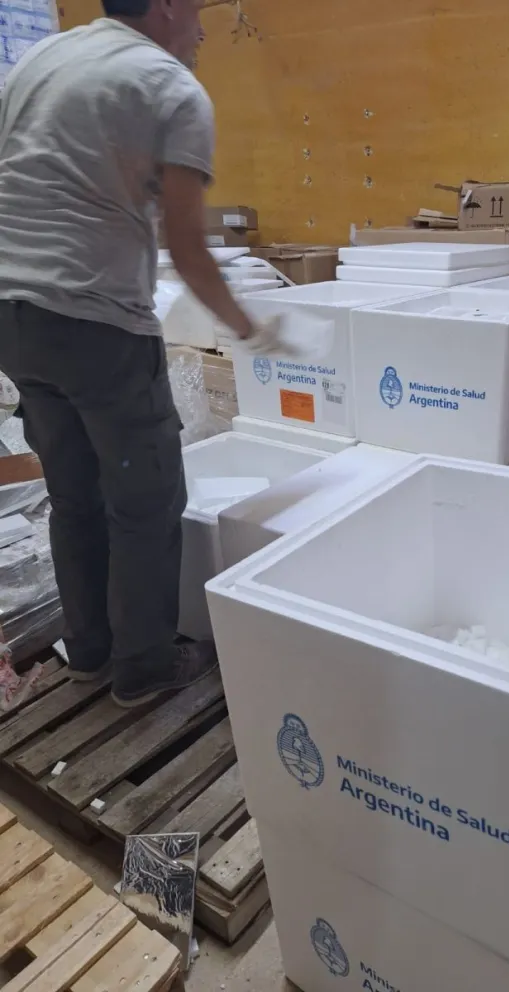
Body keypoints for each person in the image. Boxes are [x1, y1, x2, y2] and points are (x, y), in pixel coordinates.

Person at [0, 0, 284, 706]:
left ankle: (90, 653)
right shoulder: (168, 84)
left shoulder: (42, 59)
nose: (204, 26)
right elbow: (188, 248)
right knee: (146, 500)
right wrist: (249, 327)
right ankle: (145, 667)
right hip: (97, 325)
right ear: (163, 7)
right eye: (195, 8)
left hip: (14, 318)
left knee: (74, 495)